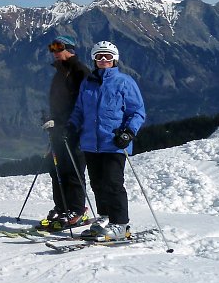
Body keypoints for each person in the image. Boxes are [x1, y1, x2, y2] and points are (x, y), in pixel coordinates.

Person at [67, 40, 146, 242]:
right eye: (99, 56)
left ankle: (120, 224)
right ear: (94, 59)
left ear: (114, 59)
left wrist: (128, 132)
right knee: (97, 183)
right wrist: (72, 126)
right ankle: (105, 217)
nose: (103, 60)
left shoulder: (124, 82)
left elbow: (137, 112)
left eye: (108, 57)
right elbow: (79, 110)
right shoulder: (88, 83)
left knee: (113, 184)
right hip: (91, 143)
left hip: (114, 143)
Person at [40, 35, 91, 230]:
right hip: (58, 129)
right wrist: (47, 118)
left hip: (74, 130)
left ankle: (77, 210)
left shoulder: (80, 72)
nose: (54, 53)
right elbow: (58, 103)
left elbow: (81, 104)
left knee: (73, 170)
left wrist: (67, 124)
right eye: (52, 49)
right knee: (56, 170)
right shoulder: (60, 73)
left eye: (58, 48)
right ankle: (62, 207)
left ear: (70, 49)